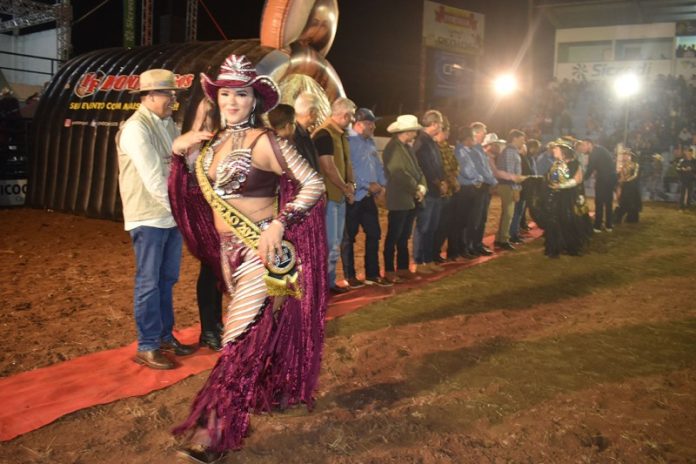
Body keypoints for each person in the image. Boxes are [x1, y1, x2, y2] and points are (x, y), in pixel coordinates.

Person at [167, 54, 327, 461]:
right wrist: (179, 153)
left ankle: (216, 431)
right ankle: (271, 389)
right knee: (261, 332)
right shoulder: (212, 144)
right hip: (227, 256)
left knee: (236, 339)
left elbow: (313, 183)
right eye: (225, 94)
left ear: (254, 100)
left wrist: (281, 223)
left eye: (240, 94)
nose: (232, 101)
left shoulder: (266, 141)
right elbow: (198, 197)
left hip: (262, 252)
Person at [115, 69, 197, 370]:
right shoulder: (136, 129)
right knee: (149, 282)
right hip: (148, 216)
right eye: (168, 94)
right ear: (148, 96)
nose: (173, 100)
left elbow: (179, 166)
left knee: (166, 279)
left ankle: (163, 336)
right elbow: (153, 179)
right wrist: (181, 210)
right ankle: (147, 345)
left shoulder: (168, 125)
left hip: (168, 216)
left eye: (174, 94)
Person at [341, 108, 392, 287]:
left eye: (373, 123)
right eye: (370, 123)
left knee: (374, 234)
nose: (373, 126)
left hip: (369, 197)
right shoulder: (348, 141)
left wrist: (382, 184)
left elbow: (377, 166)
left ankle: (372, 274)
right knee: (349, 238)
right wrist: (366, 184)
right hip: (354, 197)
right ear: (358, 124)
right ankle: (350, 275)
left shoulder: (370, 142)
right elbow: (348, 170)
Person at [313, 97, 357, 295]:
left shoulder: (339, 134)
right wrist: (346, 188)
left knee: (335, 243)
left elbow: (346, 163)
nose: (352, 120)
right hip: (330, 197)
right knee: (330, 244)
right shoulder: (324, 134)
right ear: (345, 115)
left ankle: (328, 283)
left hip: (338, 196)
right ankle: (323, 285)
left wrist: (351, 185)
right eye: (351, 116)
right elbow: (328, 167)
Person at [382, 115, 426, 283]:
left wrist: (421, 187)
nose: (416, 133)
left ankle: (402, 267)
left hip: (408, 198)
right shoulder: (393, 148)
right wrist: (417, 189)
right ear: (406, 132)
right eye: (414, 130)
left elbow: (417, 170)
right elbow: (398, 173)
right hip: (399, 198)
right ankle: (389, 270)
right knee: (394, 236)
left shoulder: (405, 147)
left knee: (403, 235)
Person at [536, 139, 592, 258]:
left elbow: (578, 179)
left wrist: (561, 186)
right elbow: (551, 178)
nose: (553, 150)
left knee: (568, 221)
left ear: (563, 151)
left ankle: (571, 247)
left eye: (556, 148)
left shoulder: (574, 163)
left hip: (568, 198)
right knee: (554, 222)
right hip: (555, 198)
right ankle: (554, 249)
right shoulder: (556, 163)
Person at [413, 109, 447, 274]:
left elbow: (438, 165)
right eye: (440, 123)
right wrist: (438, 182)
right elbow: (425, 167)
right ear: (434, 123)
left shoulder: (431, 142)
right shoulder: (421, 142)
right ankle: (419, 262)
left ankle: (428, 260)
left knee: (432, 227)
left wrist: (443, 181)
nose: (441, 127)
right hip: (427, 191)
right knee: (423, 227)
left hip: (435, 190)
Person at [492, 129, 526, 250]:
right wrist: (516, 188)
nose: (523, 142)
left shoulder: (510, 151)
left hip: (507, 185)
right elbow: (511, 173)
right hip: (508, 185)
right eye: (522, 139)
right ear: (514, 138)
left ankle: (500, 238)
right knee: (508, 213)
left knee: (507, 213)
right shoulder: (510, 152)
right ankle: (503, 239)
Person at [468, 123, 497, 257]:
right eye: (484, 132)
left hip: (484, 187)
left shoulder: (479, 149)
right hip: (478, 187)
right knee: (474, 218)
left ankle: (477, 243)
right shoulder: (472, 149)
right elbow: (480, 170)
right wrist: (493, 181)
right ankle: (471, 245)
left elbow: (486, 169)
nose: (485, 134)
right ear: (476, 133)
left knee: (481, 218)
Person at [577, 138, 617, 232]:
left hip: (603, 179)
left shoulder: (594, 153)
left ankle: (597, 226)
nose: (582, 147)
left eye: (584, 145)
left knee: (599, 202)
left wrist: (581, 180)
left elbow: (590, 169)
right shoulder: (600, 149)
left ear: (589, 144)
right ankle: (609, 225)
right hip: (611, 178)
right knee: (608, 202)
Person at [293, 92, 321, 171]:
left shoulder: (304, 133)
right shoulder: (294, 137)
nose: (318, 115)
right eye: (318, 111)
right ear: (311, 113)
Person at [614, 149, 641, 223]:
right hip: (625, 186)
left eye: (627, 155)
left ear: (630, 156)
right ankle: (619, 217)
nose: (625, 156)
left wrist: (626, 180)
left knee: (632, 202)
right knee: (624, 201)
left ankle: (631, 217)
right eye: (624, 155)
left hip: (632, 186)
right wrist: (620, 180)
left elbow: (635, 175)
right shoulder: (622, 165)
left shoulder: (635, 165)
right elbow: (620, 175)